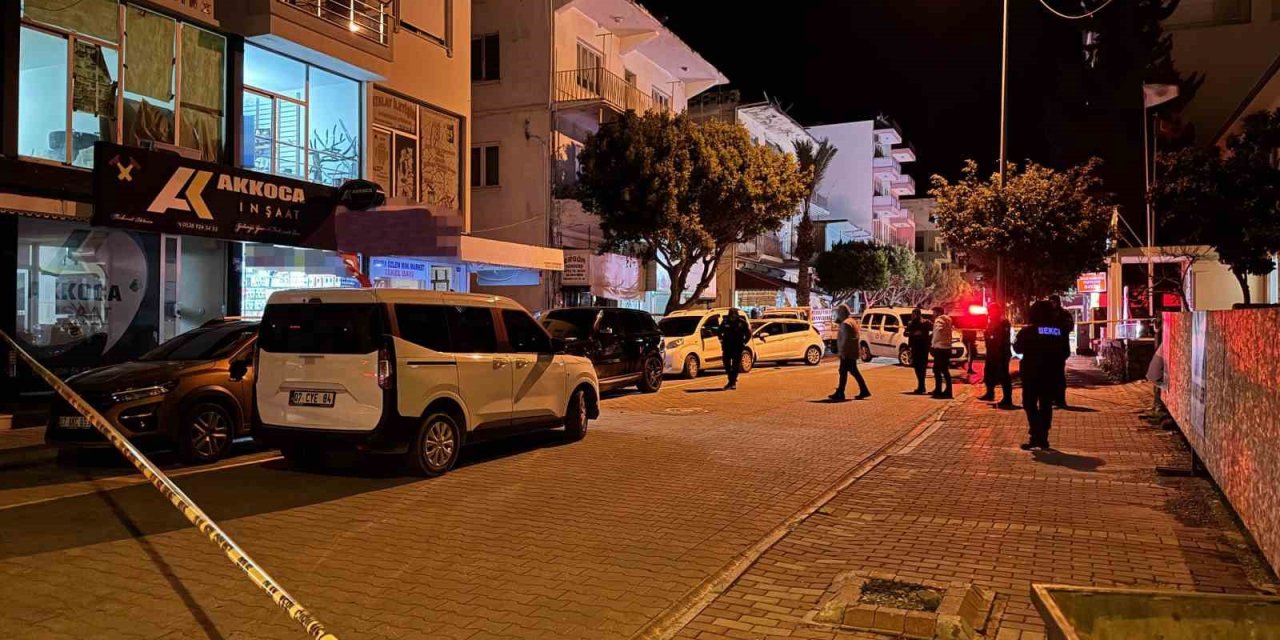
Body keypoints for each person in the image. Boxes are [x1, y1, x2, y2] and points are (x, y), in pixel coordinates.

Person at [1013, 300, 1071, 450]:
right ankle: (1043, 437)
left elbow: (1017, 349)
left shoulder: (1028, 331)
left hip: (1031, 373)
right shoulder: (1059, 331)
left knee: (1029, 404)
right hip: (1051, 374)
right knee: (1046, 404)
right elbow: (1065, 352)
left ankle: (1035, 434)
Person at [830, 304, 870, 401]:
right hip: (852, 352)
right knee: (851, 371)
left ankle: (841, 392)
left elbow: (845, 340)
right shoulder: (852, 321)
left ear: (842, 313)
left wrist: (842, 352)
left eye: (839, 312)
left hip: (847, 353)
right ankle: (862, 390)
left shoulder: (845, 324)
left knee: (844, 372)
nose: (838, 314)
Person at [978, 302, 1014, 408]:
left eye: (991, 310)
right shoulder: (992, 322)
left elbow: (1001, 338)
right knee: (988, 373)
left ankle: (1007, 399)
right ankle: (990, 393)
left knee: (1003, 375)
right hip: (992, 351)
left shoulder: (1003, 322)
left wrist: (990, 336)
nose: (989, 313)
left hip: (1001, 352)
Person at [1048, 294, 1074, 408]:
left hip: (1060, 349)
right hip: (1048, 349)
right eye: (1050, 302)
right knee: (1049, 375)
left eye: (1054, 302)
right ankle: (1051, 398)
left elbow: (1069, 327)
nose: (1052, 304)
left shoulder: (1064, 314)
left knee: (1059, 375)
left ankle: (1060, 399)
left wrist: (1057, 327)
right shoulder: (1046, 314)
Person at [719, 308, 752, 390]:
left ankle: (732, 382)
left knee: (735, 365)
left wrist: (744, 342)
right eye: (731, 314)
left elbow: (748, 334)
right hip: (727, 346)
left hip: (737, 347)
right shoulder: (725, 322)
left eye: (734, 314)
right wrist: (721, 339)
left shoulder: (742, 323)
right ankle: (731, 379)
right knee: (726, 364)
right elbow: (719, 332)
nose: (733, 316)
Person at [905, 308, 933, 394]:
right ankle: (921, 385)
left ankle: (922, 386)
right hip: (915, 347)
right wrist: (913, 334)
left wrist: (928, 338)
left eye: (913, 315)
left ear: (918, 314)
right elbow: (905, 333)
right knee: (916, 366)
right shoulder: (911, 323)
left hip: (923, 347)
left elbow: (935, 330)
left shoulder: (926, 322)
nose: (912, 316)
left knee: (922, 367)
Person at [930, 306, 954, 399]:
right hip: (947, 347)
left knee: (937, 370)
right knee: (944, 369)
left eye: (934, 312)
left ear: (938, 312)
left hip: (940, 348)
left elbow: (938, 332)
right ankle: (947, 390)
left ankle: (938, 390)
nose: (933, 314)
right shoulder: (948, 320)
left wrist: (933, 344)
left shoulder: (939, 320)